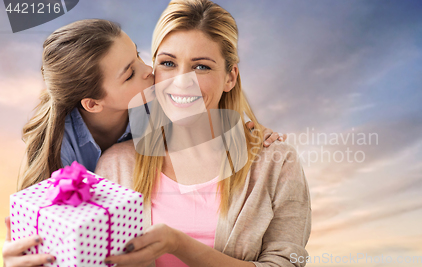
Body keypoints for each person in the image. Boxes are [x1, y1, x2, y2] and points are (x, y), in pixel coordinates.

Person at [3, 19, 284, 267]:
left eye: (137, 55)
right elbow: (44, 239)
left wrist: (245, 127)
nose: (149, 70)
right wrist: (22, 254)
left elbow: (206, 107)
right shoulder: (58, 149)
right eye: (129, 73)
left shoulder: (153, 104)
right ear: (93, 103)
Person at [95, 0, 311, 266]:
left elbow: (287, 263)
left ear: (230, 77)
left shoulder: (277, 163)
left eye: (201, 67)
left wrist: (180, 245)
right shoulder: (115, 166)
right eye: (168, 63)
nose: (181, 81)